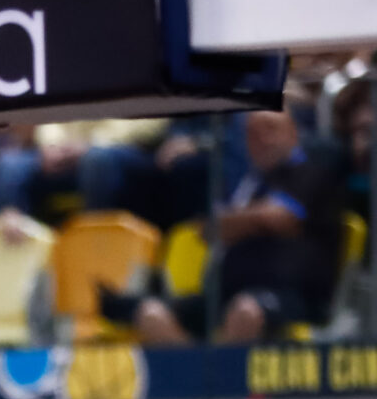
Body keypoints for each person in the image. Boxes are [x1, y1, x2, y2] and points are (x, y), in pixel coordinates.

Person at [127, 109, 346, 347]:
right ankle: (200, 380)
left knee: (245, 311)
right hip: (225, 294)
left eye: (270, 129)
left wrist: (236, 221)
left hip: (291, 295)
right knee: (150, 313)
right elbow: (207, 231)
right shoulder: (247, 183)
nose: (261, 139)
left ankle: (220, 380)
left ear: (293, 132)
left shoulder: (311, 173)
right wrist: (251, 220)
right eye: (251, 133)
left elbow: (278, 219)